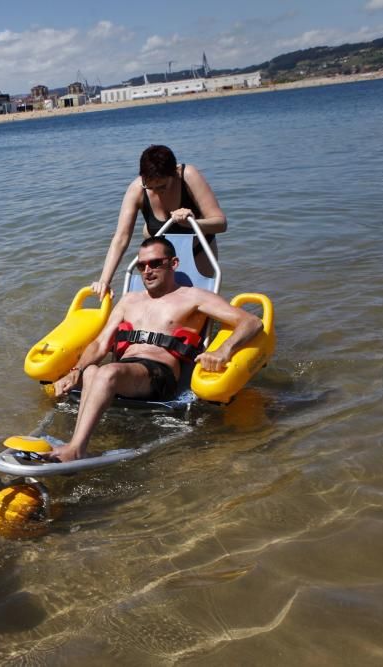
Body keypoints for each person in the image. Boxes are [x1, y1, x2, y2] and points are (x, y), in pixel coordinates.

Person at [46, 237, 262, 463]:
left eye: (155, 263)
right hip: (125, 371)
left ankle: (76, 449)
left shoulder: (193, 297)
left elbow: (251, 322)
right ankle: (76, 442)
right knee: (91, 371)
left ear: (174, 263)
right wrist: (76, 370)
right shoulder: (129, 300)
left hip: (160, 376)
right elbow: (101, 344)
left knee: (107, 372)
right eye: (142, 265)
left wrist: (224, 351)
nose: (147, 271)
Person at [92, 145, 227, 299]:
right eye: (150, 187)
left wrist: (192, 223)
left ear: (174, 174)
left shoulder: (188, 176)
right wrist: (104, 280)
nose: (155, 191)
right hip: (160, 258)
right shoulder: (137, 189)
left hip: (197, 250)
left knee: (199, 304)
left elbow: (221, 223)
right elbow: (121, 238)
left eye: (162, 186)